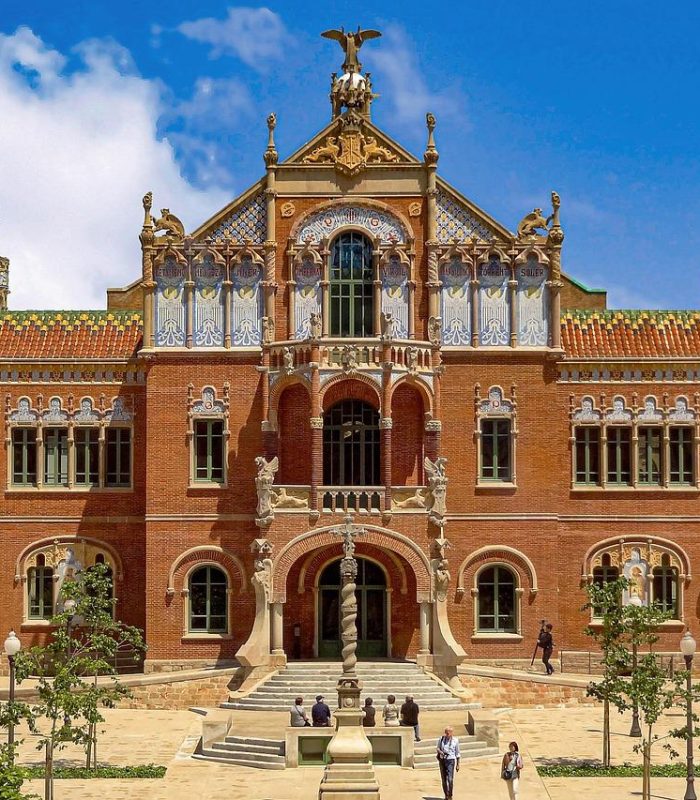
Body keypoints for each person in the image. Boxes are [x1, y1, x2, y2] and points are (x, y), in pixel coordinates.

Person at [436, 725, 460, 800]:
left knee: (450, 779)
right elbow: (437, 748)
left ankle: (450, 795)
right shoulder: (441, 739)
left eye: (448, 733)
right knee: (444, 779)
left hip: (450, 760)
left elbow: (457, 753)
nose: (446, 734)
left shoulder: (455, 741)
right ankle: (446, 795)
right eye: (446, 732)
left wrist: (458, 764)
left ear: (451, 733)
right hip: (442, 760)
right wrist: (441, 752)